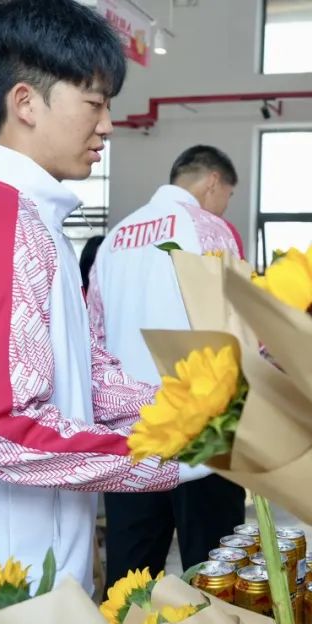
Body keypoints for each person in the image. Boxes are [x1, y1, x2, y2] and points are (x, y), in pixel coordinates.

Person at [0, 0, 206, 620]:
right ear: (26, 102)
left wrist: (201, 412)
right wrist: (174, 458)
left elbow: (86, 379)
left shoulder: (35, 223)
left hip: (32, 559)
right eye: (94, 103)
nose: (108, 125)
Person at [88, 145, 244, 581]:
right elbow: (238, 330)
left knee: (130, 580)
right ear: (213, 182)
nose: (224, 205)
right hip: (203, 433)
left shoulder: (114, 239)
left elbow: (94, 337)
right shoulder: (211, 231)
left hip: (132, 437)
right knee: (212, 577)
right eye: (227, 196)